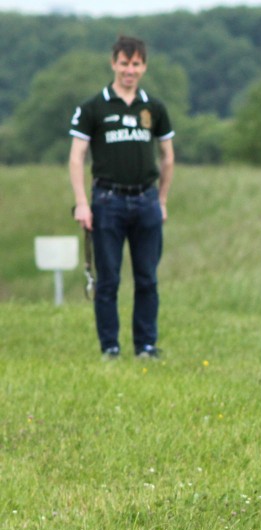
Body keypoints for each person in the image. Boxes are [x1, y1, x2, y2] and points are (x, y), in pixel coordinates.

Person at [69, 35, 175, 359]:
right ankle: (110, 347)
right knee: (108, 280)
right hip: (107, 201)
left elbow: (167, 156)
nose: (130, 70)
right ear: (114, 63)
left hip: (146, 200)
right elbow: (77, 157)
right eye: (125, 63)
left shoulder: (154, 107)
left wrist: (162, 200)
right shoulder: (93, 107)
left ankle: (145, 345)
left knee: (147, 279)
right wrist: (82, 203)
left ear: (144, 66)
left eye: (136, 64)